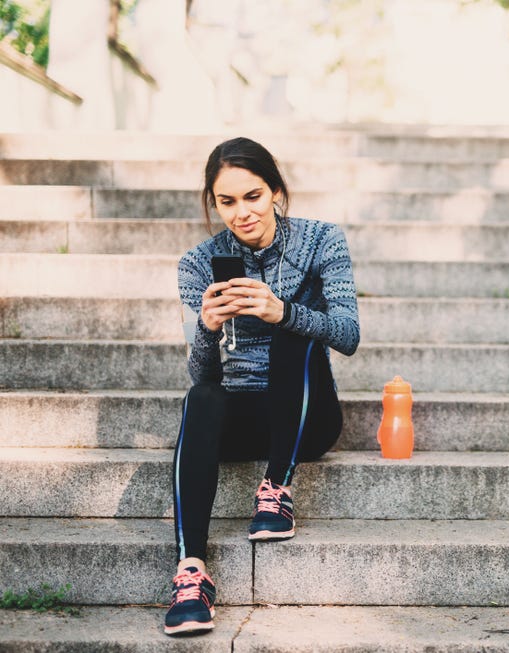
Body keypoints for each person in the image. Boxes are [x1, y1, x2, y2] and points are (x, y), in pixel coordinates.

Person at [164, 137, 359, 636]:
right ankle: (191, 573)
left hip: (305, 419)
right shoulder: (196, 263)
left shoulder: (322, 240)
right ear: (214, 202)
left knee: (295, 339)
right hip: (239, 418)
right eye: (226, 201)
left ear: (275, 190)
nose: (241, 213)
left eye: (252, 196)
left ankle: (276, 489)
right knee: (201, 397)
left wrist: (282, 312)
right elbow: (203, 375)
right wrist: (207, 329)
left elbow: (349, 335)